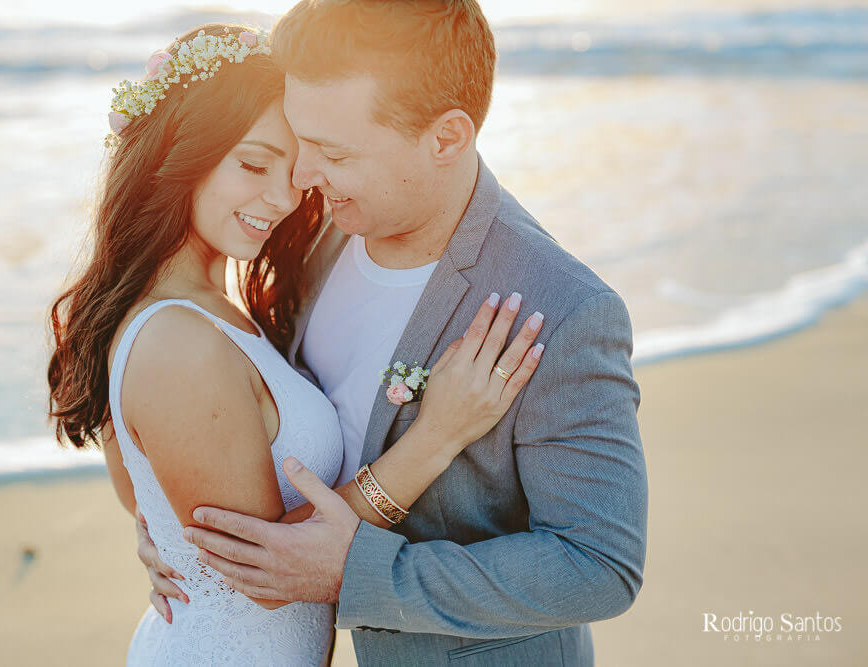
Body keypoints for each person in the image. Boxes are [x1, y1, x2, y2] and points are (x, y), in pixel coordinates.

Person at [137, 2, 649, 665]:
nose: (301, 177)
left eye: (334, 152)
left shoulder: (562, 309)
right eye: (302, 139)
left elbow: (600, 565)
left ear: (446, 137)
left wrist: (359, 575)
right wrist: (165, 526)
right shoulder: (314, 230)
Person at [47, 22, 546, 666]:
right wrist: (438, 435)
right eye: (253, 164)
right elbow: (269, 572)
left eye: (298, 168)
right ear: (178, 152)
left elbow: (136, 493)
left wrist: (166, 539)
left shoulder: (203, 309)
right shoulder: (178, 341)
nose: (283, 197)